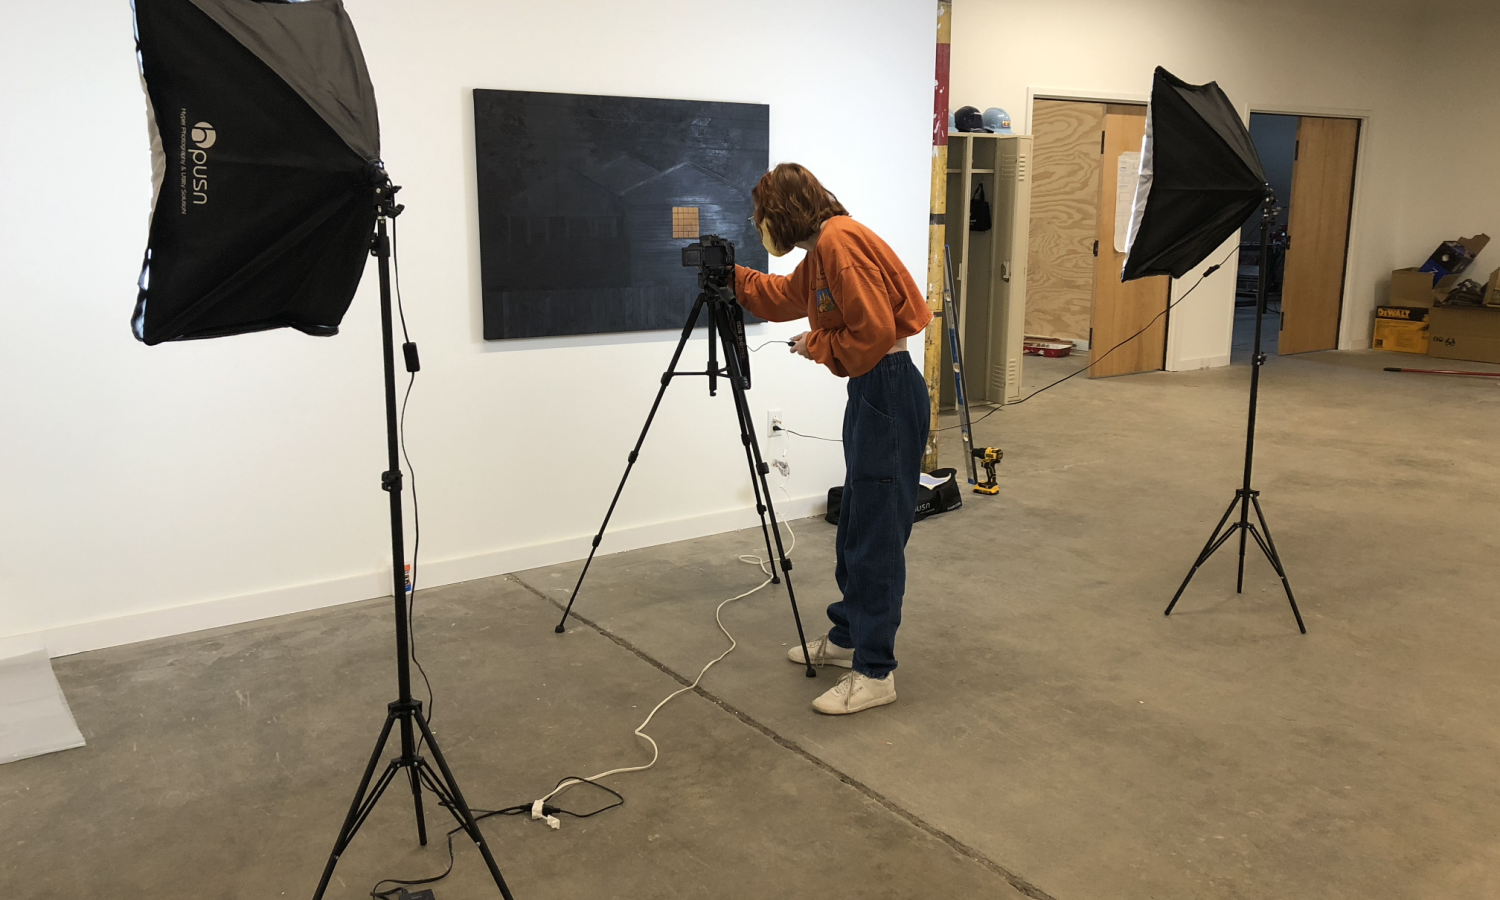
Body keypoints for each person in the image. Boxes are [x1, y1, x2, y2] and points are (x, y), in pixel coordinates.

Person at [734, 163, 932, 716]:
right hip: (873, 390)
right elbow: (783, 297)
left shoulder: (840, 244)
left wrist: (817, 344)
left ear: (784, 211)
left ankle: (876, 672)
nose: (759, 225)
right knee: (856, 524)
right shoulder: (823, 248)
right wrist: (734, 277)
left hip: (886, 388)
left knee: (875, 535)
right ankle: (849, 640)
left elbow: (870, 335)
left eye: (762, 215)